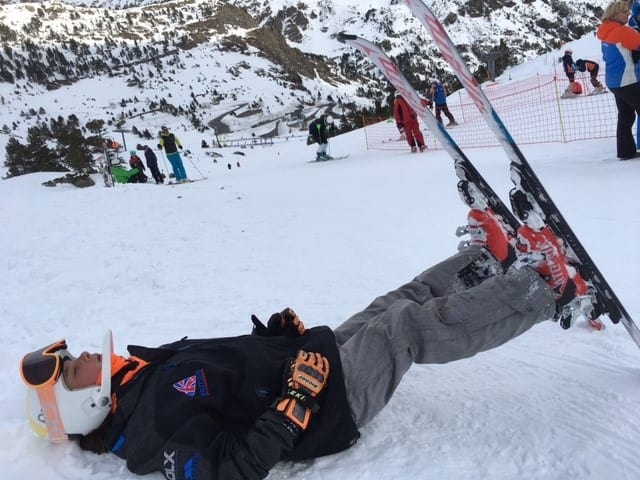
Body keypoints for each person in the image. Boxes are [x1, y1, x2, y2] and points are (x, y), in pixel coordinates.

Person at [20, 195, 596, 480]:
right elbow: (230, 468)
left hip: (305, 363)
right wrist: (294, 403)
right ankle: (544, 290)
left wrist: (272, 340)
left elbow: (225, 374)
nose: (84, 355)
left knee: (389, 304)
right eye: (74, 368)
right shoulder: (150, 434)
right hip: (326, 404)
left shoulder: (139, 378)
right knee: (405, 327)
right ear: (83, 402)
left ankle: (484, 261)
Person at [597, 1, 640, 160]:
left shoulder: (605, 31)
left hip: (614, 81)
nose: (628, 15)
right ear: (614, 14)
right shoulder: (622, 31)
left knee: (626, 115)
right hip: (627, 80)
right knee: (627, 114)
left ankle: (625, 151)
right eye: (624, 12)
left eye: (628, 11)